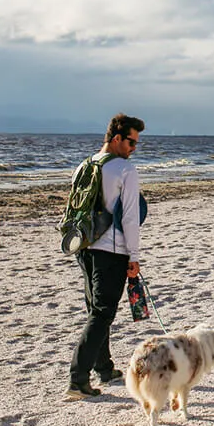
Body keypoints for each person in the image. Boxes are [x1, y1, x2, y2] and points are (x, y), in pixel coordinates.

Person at [66, 113, 145, 400]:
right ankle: (77, 380)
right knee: (102, 312)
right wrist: (134, 256)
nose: (134, 148)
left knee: (95, 309)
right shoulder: (125, 169)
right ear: (116, 138)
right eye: (132, 142)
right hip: (112, 250)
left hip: (84, 247)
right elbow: (130, 217)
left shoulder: (84, 165)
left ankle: (104, 368)